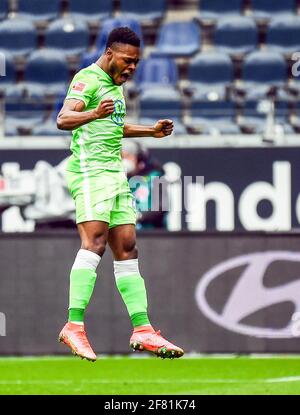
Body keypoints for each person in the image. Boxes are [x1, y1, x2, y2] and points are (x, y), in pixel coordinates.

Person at [56, 27, 184, 361]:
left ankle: (143, 329)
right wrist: (93, 112)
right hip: (89, 171)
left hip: (114, 173)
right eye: (127, 61)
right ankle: (74, 325)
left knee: (127, 247)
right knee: (95, 243)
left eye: (136, 63)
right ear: (110, 54)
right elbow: (64, 118)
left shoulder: (116, 86)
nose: (131, 68)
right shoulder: (88, 78)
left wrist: (150, 132)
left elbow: (115, 125)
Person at [122, 139, 168, 229]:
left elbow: (161, 208)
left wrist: (139, 216)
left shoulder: (155, 176)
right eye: (122, 157)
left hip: (152, 233)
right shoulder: (119, 179)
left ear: (139, 158)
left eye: (128, 156)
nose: (125, 161)